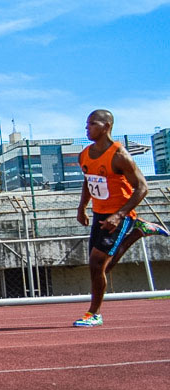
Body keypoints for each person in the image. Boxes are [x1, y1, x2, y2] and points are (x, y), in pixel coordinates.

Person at [74, 109, 167, 327]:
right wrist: (82, 208)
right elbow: (89, 181)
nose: (87, 128)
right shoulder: (84, 154)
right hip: (99, 214)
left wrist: (119, 214)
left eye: (92, 124)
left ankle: (94, 313)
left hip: (120, 213)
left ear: (106, 126)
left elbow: (142, 187)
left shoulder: (119, 155)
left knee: (97, 264)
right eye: (86, 124)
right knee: (100, 268)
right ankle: (138, 232)